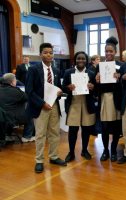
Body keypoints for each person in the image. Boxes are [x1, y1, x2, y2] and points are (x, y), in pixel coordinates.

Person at [26, 43, 67, 173]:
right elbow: (29, 90)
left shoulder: (55, 70)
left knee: (55, 133)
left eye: (50, 52)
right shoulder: (33, 69)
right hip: (40, 107)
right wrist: (41, 103)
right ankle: (39, 160)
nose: (48, 54)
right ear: (40, 54)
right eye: (45, 52)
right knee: (40, 134)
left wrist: (60, 93)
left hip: (54, 105)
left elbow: (58, 87)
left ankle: (53, 156)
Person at [63, 51, 96, 162]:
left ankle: (84, 150)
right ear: (75, 60)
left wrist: (93, 87)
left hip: (87, 103)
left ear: (86, 60)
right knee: (73, 129)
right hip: (74, 103)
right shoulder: (68, 72)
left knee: (86, 129)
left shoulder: (91, 73)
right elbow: (63, 87)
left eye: (83, 58)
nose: (81, 60)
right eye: (78, 58)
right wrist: (68, 87)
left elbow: (96, 89)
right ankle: (71, 152)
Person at [95, 36, 123, 162]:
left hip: (116, 99)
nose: (108, 53)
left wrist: (120, 78)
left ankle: (113, 150)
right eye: (106, 51)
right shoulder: (99, 66)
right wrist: (96, 80)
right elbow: (94, 86)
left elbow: (125, 85)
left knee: (116, 127)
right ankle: (105, 150)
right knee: (105, 127)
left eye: (111, 51)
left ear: (115, 52)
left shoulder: (120, 66)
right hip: (104, 99)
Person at [0, 73, 35, 142]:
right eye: (15, 80)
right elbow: (27, 97)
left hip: (2, 118)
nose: (16, 81)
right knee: (30, 115)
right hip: (12, 118)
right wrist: (15, 87)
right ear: (12, 82)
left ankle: (8, 134)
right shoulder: (16, 91)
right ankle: (27, 137)